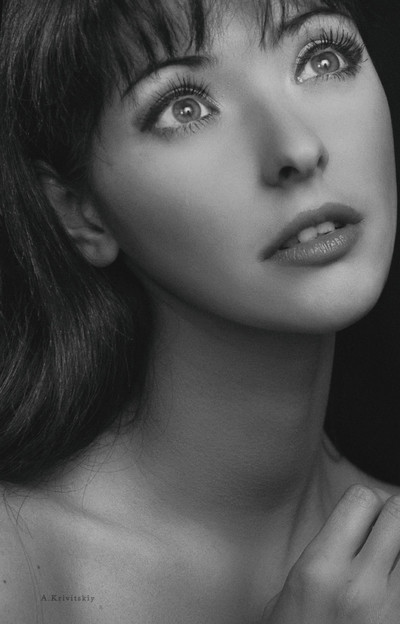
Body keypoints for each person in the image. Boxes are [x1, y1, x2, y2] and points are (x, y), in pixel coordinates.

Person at [0, 0, 399, 622]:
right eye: (185, 107)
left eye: (322, 58)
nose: (298, 148)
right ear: (79, 212)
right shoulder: (21, 567)